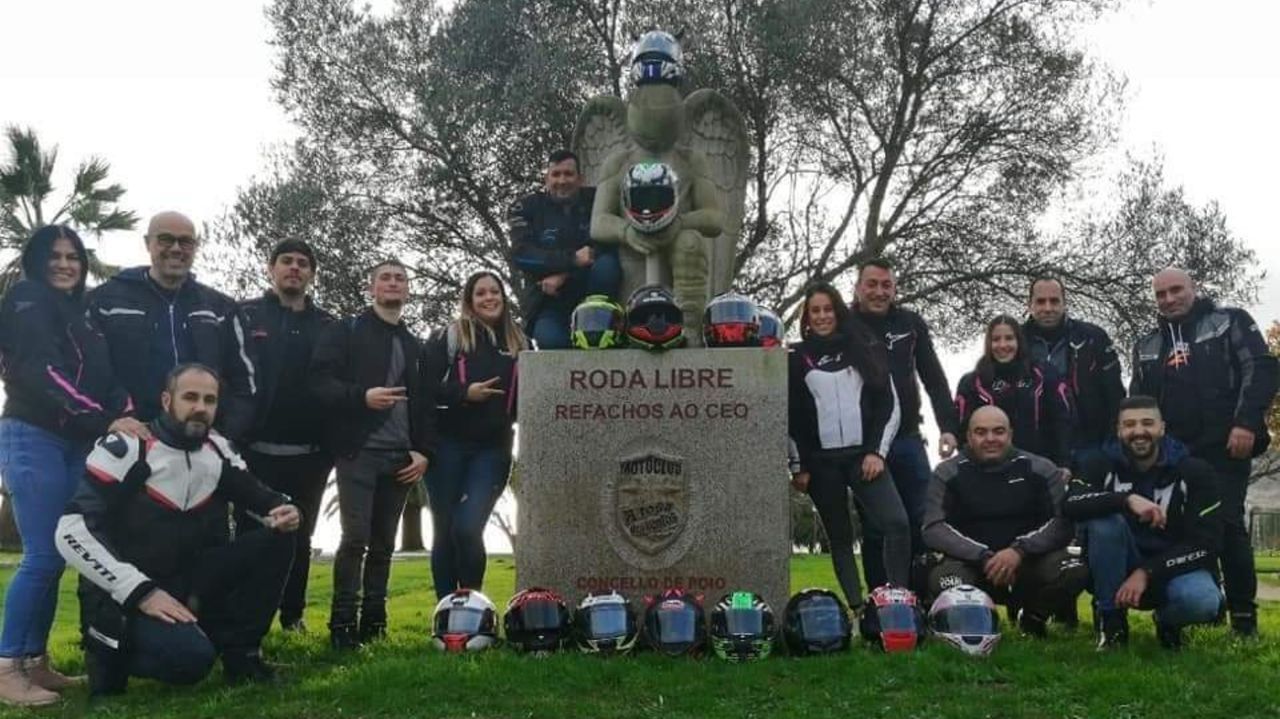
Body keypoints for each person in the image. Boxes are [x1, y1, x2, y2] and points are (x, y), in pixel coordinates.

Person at [55, 364, 300, 696]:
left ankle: (242, 655)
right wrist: (139, 591)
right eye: (190, 397)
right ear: (167, 400)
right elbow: (69, 530)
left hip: (186, 581)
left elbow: (261, 495)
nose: (200, 407)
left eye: (209, 399)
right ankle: (105, 649)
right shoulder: (128, 447)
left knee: (281, 536)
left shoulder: (217, 450)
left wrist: (283, 509)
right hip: (125, 594)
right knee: (190, 662)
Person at [0, 226, 142, 707]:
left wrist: (125, 410)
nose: (65, 264)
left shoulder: (82, 316)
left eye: (74, 257)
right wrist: (107, 419)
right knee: (41, 554)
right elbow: (40, 373)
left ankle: (35, 662)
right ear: (36, 261)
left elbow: (107, 377)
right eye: (55, 256)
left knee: (58, 553)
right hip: (32, 435)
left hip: (73, 441)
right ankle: (6, 666)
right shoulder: (26, 300)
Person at [1131, 268, 1278, 637]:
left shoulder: (1229, 323)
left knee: (1226, 527)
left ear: (1193, 288)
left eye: (1176, 290)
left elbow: (1261, 367)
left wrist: (1246, 422)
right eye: (1161, 294)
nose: (1169, 299)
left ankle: (1244, 619)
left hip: (1225, 448)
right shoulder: (1146, 345)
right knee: (1180, 530)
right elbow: (1138, 404)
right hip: (1172, 456)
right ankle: (1193, 611)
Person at [310, 259, 435, 649]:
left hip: (402, 458)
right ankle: (342, 625)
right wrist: (361, 397)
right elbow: (317, 382)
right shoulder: (345, 331)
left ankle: (375, 624)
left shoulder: (416, 344)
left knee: (384, 545)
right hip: (357, 453)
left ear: (407, 290)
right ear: (372, 287)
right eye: (385, 277)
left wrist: (423, 452)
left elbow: (426, 405)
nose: (393, 283)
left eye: (400, 278)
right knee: (355, 539)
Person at [1064, 396, 1223, 650]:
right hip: (1115, 565)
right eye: (1129, 425)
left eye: (1147, 423)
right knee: (1105, 523)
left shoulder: (1196, 471)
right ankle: (1111, 622)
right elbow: (1070, 503)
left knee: (1202, 601)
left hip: (1172, 568)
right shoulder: (1098, 462)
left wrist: (1147, 572)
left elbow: (1208, 543)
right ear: (1119, 430)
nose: (1139, 431)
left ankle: (1168, 621)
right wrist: (1126, 500)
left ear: (1162, 428)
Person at [787, 282, 909, 607]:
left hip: (863, 458)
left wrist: (876, 452)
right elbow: (790, 418)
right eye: (815, 311)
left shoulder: (864, 346)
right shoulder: (795, 358)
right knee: (839, 539)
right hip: (821, 465)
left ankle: (899, 601)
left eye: (828, 309)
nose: (823, 316)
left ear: (838, 311)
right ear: (807, 318)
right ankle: (857, 609)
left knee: (897, 524)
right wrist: (798, 466)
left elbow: (889, 404)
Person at [86, 211, 257, 442]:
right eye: (166, 239)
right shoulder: (105, 301)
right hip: (128, 439)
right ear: (148, 243)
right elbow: (90, 371)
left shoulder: (222, 308)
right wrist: (111, 420)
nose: (176, 248)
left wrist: (225, 434)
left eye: (186, 241)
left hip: (202, 443)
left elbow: (246, 382)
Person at [237, 239, 335, 632]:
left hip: (309, 454)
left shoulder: (328, 326)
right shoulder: (244, 316)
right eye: (286, 261)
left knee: (300, 537)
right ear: (271, 269)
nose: (294, 268)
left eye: (302, 263)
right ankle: (244, 617)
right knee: (251, 534)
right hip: (254, 451)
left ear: (311, 273)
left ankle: (292, 616)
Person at [923, 406, 1087, 637]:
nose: (990, 439)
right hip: (973, 566)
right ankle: (975, 624)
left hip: (1029, 563)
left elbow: (1063, 523)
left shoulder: (1041, 468)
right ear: (969, 437)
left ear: (1010, 434)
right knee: (944, 579)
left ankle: (1032, 617)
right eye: (981, 432)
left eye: (998, 431)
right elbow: (933, 528)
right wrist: (983, 556)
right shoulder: (946, 472)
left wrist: (1019, 551)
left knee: (1076, 569)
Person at [853, 258, 960, 590]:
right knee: (876, 526)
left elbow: (934, 378)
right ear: (858, 288)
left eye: (886, 285)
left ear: (895, 289)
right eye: (872, 284)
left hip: (909, 439)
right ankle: (878, 601)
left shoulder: (911, 323)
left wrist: (948, 426)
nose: (879, 292)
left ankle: (920, 596)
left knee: (924, 520)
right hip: (865, 445)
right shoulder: (845, 323)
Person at [423, 271, 526, 599]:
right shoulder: (449, 336)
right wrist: (464, 393)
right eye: (480, 293)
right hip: (447, 446)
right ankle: (445, 610)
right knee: (445, 531)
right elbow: (423, 387)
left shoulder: (521, 343)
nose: (488, 298)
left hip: (493, 450)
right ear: (470, 300)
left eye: (494, 292)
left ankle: (471, 605)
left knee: (467, 528)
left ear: (503, 297)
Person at [509, 149, 622, 349]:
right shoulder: (527, 207)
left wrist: (565, 274)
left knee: (607, 265)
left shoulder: (597, 200)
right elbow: (521, 255)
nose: (562, 180)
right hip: (549, 303)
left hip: (593, 296)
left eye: (568, 174)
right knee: (550, 342)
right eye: (556, 174)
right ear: (546, 179)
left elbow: (610, 244)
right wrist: (571, 260)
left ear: (580, 178)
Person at [1022, 277, 1125, 460]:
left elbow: (1115, 393)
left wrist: (1112, 444)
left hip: (1088, 444)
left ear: (1064, 303)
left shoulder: (1093, 337)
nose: (1048, 308)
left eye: (1054, 301)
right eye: (1040, 301)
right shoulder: (1014, 341)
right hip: (1031, 448)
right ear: (1029, 304)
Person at [955, 314, 1072, 466]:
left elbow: (1062, 420)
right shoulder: (972, 382)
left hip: (1040, 466)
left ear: (1019, 341)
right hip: (990, 470)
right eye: (996, 339)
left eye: (1009, 338)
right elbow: (962, 431)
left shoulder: (1043, 374)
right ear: (988, 344)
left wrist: (1064, 463)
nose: (1003, 345)